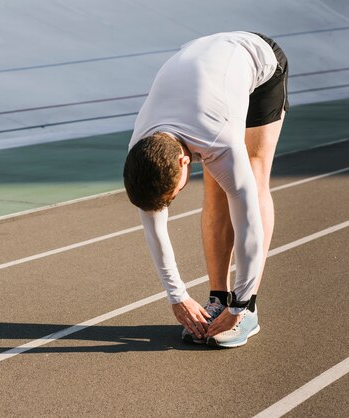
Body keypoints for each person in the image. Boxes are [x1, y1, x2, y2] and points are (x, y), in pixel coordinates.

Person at [123, 31, 288, 347]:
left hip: (258, 61)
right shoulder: (140, 149)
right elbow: (153, 226)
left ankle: (248, 309)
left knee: (250, 178)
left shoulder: (218, 138)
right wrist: (177, 296)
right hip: (203, 67)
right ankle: (218, 296)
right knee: (215, 188)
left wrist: (242, 301)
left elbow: (248, 216)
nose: (171, 202)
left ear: (185, 161)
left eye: (173, 195)